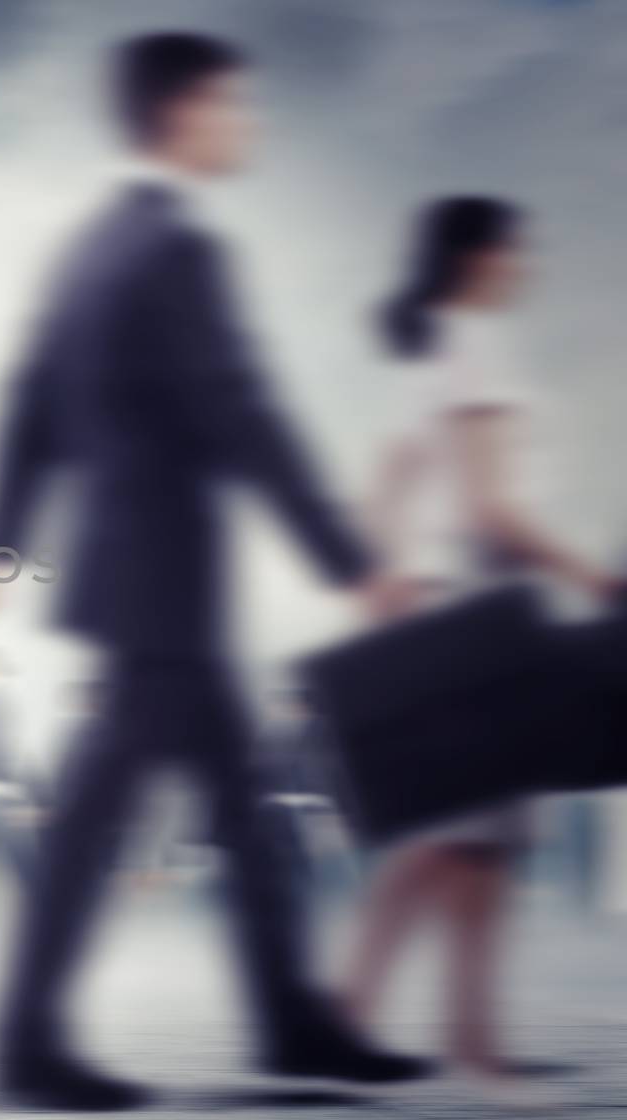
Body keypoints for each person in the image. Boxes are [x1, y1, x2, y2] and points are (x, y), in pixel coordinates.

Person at [0, 33, 433, 1109]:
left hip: (134, 586)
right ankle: (29, 1042)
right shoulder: (175, 251)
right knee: (105, 816)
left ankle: (285, 1020)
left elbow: (24, 403)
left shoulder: (86, 247)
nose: (248, 124)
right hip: (163, 590)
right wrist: (350, 561)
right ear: (182, 111)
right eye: (235, 105)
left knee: (231, 804)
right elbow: (239, 411)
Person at [340, 196, 622, 1103]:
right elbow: (488, 509)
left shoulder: (426, 352)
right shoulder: (480, 346)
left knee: (462, 839)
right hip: (482, 616)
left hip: (438, 611)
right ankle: (429, 1037)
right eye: (518, 245)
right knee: (464, 841)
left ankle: (409, 1027)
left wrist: (384, 590)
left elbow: (387, 490)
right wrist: (594, 578)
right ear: (480, 255)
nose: (526, 259)